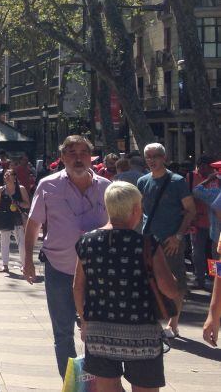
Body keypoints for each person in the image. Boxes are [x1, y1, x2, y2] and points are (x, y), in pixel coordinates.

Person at [73, 181, 179, 392]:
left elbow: (78, 286)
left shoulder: (86, 242)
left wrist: (84, 320)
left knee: (106, 387)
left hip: (99, 330)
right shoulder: (147, 244)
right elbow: (169, 289)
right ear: (136, 209)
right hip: (142, 335)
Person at [24, 135, 111, 377]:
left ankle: (97, 380)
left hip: (97, 273)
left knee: (95, 330)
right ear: (62, 158)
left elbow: (119, 224)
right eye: (71, 153)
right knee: (62, 333)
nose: (78, 157)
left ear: (91, 157)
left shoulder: (106, 187)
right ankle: (71, 383)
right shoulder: (47, 185)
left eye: (83, 152)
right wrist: (28, 261)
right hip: (59, 269)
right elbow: (33, 224)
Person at [137, 143, 195, 339]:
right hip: (148, 240)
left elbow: (191, 210)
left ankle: (174, 323)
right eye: (148, 157)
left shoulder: (177, 181)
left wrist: (178, 236)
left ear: (164, 157)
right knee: (147, 282)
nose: (152, 160)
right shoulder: (142, 181)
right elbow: (138, 211)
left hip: (171, 242)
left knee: (175, 282)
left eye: (156, 156)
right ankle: (152, 321)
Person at [186, 155, 218, 290]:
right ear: (200, 166)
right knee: (198, 252)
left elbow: (198, 191)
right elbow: (188, 195)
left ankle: (215, 278)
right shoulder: (191, 177)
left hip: (215, 225)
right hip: (197, 222)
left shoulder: (216, 181)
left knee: (214, 254)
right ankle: (200, 278)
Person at [0, 169, 30, 273]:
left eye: (9, 175)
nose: (7, 176)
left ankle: (24, 265)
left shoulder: (20, 189)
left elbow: (27, 204)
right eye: (5, 175)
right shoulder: (1, 189)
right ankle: (5, 265)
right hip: (5, 219)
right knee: (4, 242)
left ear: (15, 177)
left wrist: (18, 203)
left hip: (18, 218)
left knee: (21, 243)